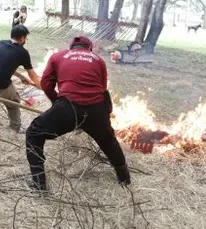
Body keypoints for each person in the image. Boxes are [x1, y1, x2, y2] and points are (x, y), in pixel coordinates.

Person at [25, 36, 130, 194]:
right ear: (90, 49)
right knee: (109, 141)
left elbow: (46, 84)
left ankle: (39, 185)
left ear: (71, 47)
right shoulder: (98, 60)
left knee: (33, 133)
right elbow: (102, 88)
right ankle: (125, 179)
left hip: (69, 107)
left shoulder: (58, 56)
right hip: (97, 109)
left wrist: (57, 104)